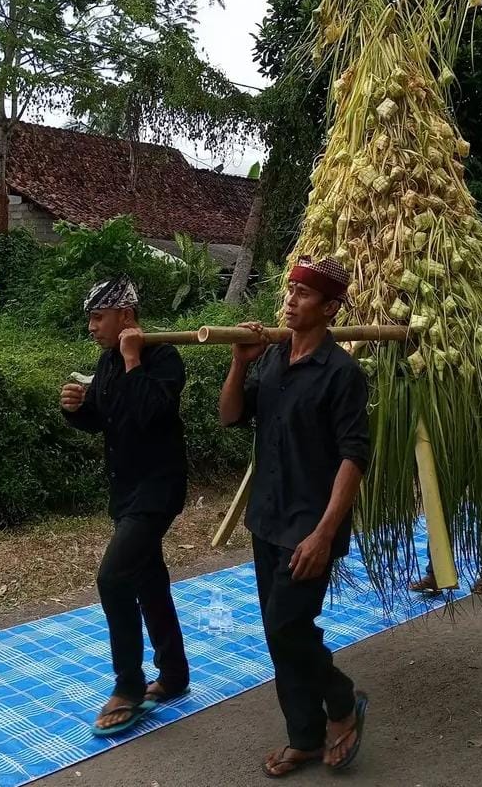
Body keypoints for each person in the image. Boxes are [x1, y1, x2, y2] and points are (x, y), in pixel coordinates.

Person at [219, 256, 370, 777]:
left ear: (330, 309)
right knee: (278, 630)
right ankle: (304, 735)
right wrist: (240, 361)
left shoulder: (343, 374)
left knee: (288, 625)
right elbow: (231, 415)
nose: (290, 299)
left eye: (304, 294)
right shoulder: (272, 360)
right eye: (290, 290)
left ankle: (343, 699)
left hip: (311, 525)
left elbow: (354, 458)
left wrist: (325, 534)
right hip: (267, 517)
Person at [60, 276, 190, 735]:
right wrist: (77, 408)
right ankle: (173, 675)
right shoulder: (108, 361)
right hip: (126, 491)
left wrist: (133, 359)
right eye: (91, 319)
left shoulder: (162, 357)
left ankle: (129, 685)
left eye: (98, 317)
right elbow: (106, 419)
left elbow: (151, 411)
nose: (92, 327)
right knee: (147, 579)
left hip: (158, 489)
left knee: (113, 577)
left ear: (126, 317)